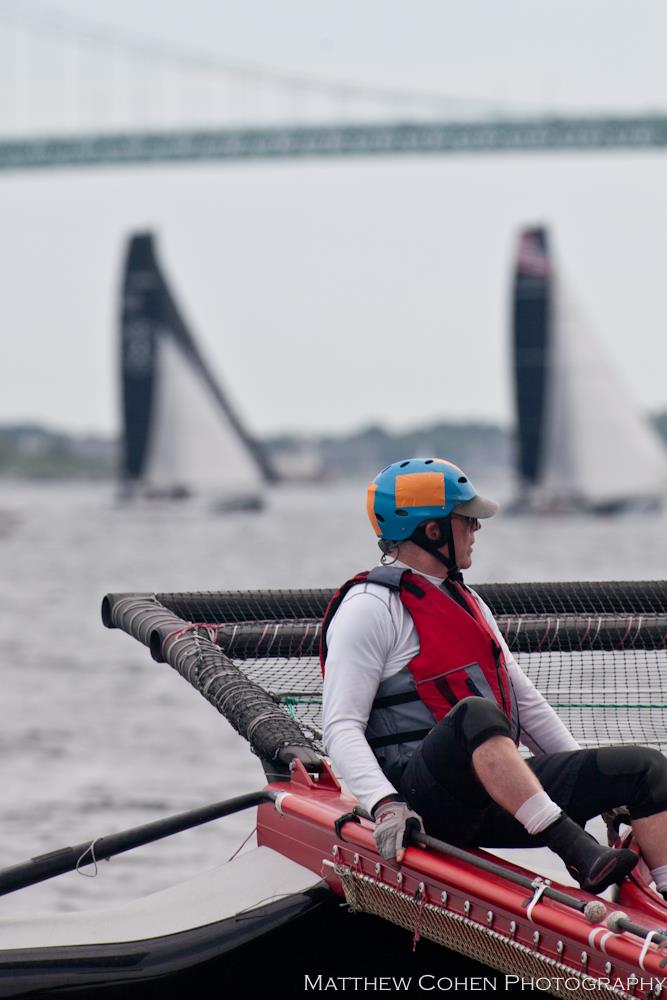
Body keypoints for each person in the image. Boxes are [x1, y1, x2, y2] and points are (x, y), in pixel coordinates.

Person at [321, 457, 667, 896]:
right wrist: (385, 805)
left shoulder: (469, 602)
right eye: (468, 521)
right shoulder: (370, 608)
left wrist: (602, 795)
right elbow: (340, 727)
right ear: (432, 531)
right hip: (425, 803)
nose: (476, 531)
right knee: (475, 715)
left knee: (646, 770)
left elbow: (526, 702)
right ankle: (576, 851)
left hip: (500, 797)